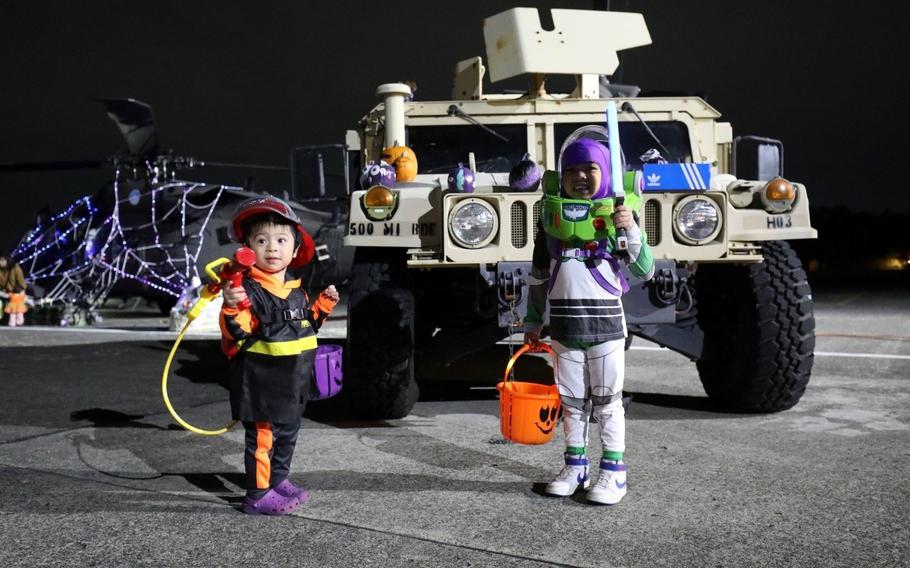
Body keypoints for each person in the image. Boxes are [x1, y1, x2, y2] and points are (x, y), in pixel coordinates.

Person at [524, 138, 654, 505]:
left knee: (607, 403)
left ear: (606, 174)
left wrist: (630, 230)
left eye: (590, 169)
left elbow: (644, 269)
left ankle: (614, 473)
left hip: (605, 330)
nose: (580, 177)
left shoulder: (617, 217)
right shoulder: (550, 224)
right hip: (564, 330)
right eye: (571, 170)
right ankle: (575, 466)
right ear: (559, 177)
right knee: (571, 402)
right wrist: (533, 322)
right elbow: (537, 277)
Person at [219, 196, 339, 516]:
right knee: (262, 439)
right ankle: (258, 494)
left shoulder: (297, 292)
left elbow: (306, 326)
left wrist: (322, 307)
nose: (272, 247)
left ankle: (279, 479)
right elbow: (237, 331)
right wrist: (232, 305)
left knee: (287, 434)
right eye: (261, 240)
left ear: (296, 250)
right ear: (247, 248)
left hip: (291, 383)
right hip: (260, 383)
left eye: (281, 240)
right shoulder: (246, 291)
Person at [0, 253, 28, 326]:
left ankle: (19, 321)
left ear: (8, 260)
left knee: (16, 308)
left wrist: (22, 290)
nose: (1, 262)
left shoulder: (15, 268)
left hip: (14, 291)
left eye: (2, 261)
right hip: (2, 291)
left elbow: (21, 280)